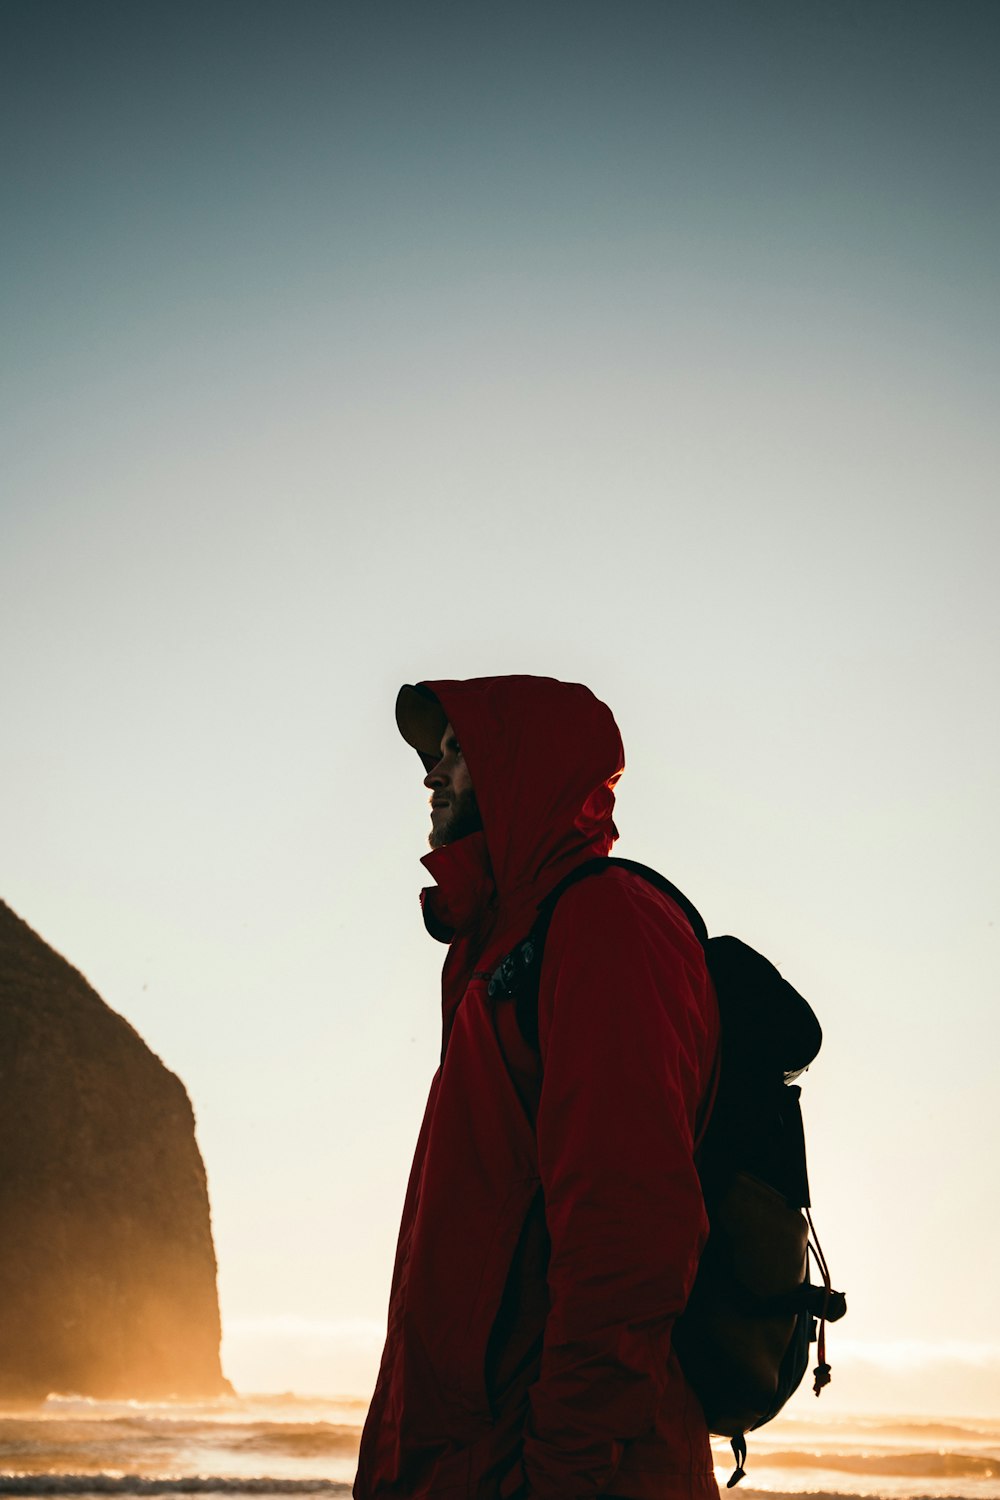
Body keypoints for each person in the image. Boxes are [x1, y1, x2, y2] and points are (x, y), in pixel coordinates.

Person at [354, 675, 720, 1500]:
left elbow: (628, 1235)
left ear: (523, 769)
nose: (432, 773)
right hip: (469, 1468)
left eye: (459, 752)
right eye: (433, 753)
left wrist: (560, 1475)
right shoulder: (493, 953)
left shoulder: (606, 923)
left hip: (560, 1473)